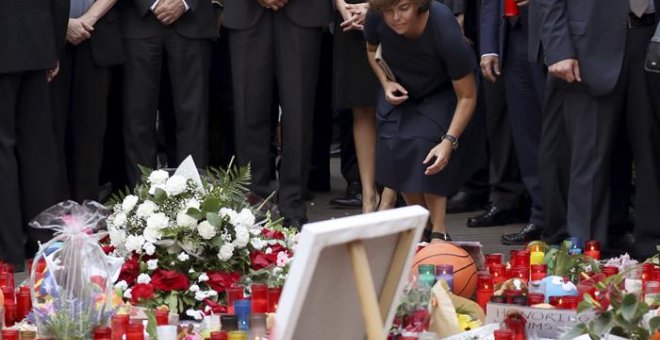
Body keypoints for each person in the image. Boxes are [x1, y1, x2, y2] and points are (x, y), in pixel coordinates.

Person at [539, 0, 660, 258]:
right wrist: (559, 48)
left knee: (649, 146)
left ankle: (652, 246)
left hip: (649, 36)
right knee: (589, 153)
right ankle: (586, 252)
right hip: (587, 48)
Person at [365, 0, 479, 240]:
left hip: (443, 91)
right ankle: (423, 225)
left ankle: (439, 230)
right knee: (393, 142)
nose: (396, 17)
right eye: (389, 11)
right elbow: (370, 49)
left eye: (403, 8)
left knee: (423, 140)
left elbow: (467, 96)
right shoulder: (377, 16)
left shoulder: (443, 27)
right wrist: (386, 83)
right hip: (402, 89)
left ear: (418, 5)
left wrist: (449, 140)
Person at [223, 0, 333, 229]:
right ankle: (253, 202)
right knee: (248, 110)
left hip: (302, 11)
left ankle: (293, 203)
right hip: (247, 10)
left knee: (298, 111)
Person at [0, 0, 69, 268]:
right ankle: (43, 246)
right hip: (37, 41)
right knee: (38, 148)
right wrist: (53, 47)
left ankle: (7, 253)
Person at [120, 0, 216, 184]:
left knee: (194, 116)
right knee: (137, 116)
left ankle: (193, 200)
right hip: (138, 19)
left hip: (193, 20)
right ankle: (140, 202)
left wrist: (184, 2)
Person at [479, 0, 545, 244]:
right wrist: (489, 46)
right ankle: (540, 216)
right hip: (512, 31)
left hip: (550, 29)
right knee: (526, 135)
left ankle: (565, 219)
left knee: (557, 134)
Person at [50, 0, 124, 202]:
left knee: (91, 132)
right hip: (50, 38)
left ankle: (87, 210)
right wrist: (63, 24)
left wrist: (89, 18)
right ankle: (60, 212)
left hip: (96, 32)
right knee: (52, 132)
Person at [334, 0, 398, 213]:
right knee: (360, 105)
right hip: (350, 16)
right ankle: (368, 197)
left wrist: (374, 8)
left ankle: (390, 196)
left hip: (393, 10)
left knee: (397, 101)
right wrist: (342, 6)